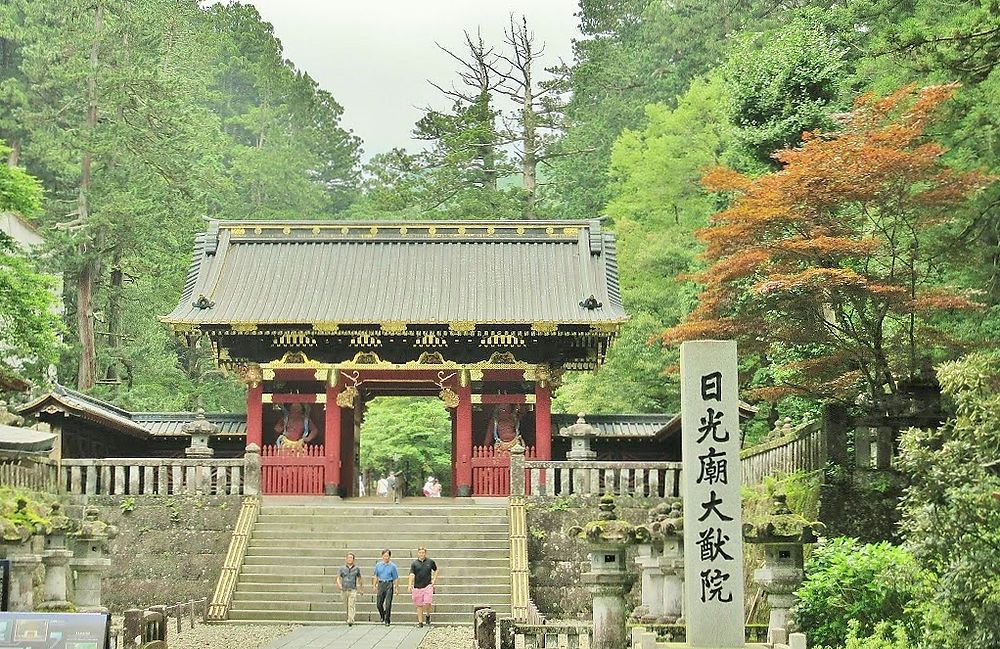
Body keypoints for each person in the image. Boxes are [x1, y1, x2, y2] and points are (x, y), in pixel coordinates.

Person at [408, 546, 438, 627]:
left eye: (423, 552)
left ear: (425, 553)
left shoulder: (430, 562)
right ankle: (420, 622)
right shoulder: (414, 564)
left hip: (427, 585)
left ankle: (428, 615)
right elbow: (411, 574)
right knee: (419, 605)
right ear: (418, 553)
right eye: (420, 553)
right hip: (417, 586)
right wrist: (409, 584)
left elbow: (436, 570)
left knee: (428, 602)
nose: (422, 554)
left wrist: (434, 580)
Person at [372, 549, 399, 626]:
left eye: (387, 556)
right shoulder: (378, 565)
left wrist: (396, 587)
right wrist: (374, 585)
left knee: (388, 603)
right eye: (384, 556)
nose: (386, 557)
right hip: (381, 584)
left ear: (390, 557)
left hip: (389, 584)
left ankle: (387, 619)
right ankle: (382, 614)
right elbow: (375, 576)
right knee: (379, 604)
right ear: (382, 556)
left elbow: (396, 578)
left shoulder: (393, 566)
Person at [337, 552, 363, 626]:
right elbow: (338, 578)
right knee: (346, 605)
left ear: (353, 559)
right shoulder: (342, 569)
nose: (349, 559)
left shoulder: (356, 569)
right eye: (348, 558)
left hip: (353, 589)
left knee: (351, 604)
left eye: (351, 558)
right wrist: (339, 585)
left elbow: (360, 578)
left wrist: (361, 588)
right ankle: (349, 616)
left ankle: (350, 619)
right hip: (344, 589)